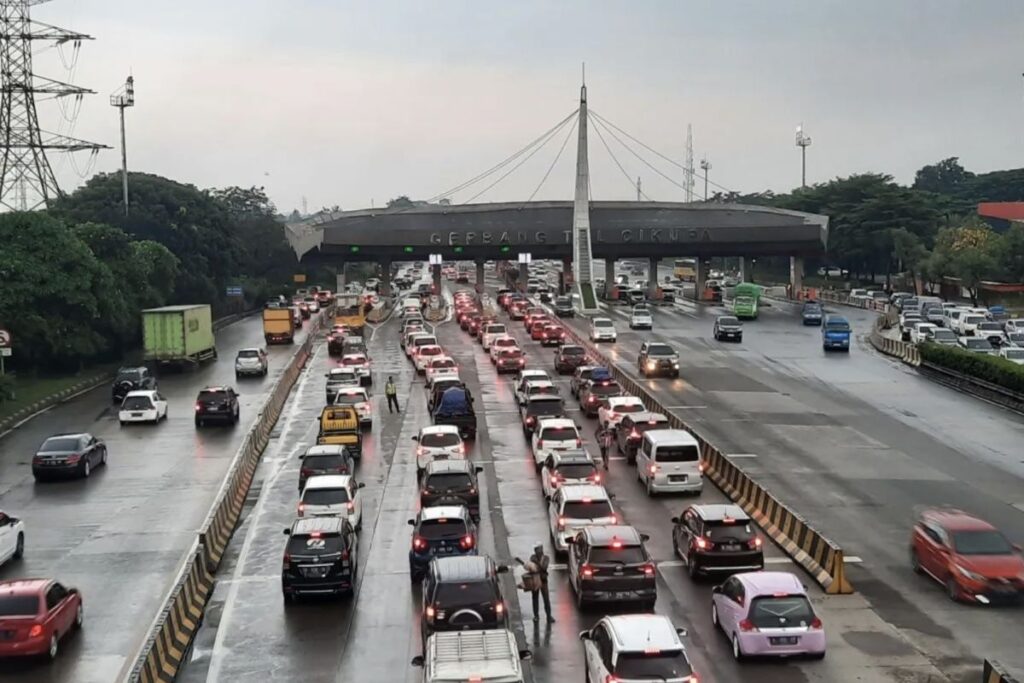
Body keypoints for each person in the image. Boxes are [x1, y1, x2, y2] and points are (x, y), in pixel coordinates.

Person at [516, 544, 554, 623]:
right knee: (535, 598)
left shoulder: (546, 558)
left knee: (546, 599)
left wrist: (536, 566)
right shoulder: (533, 557)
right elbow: (531, 567)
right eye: (536, 549)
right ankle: (536, 616)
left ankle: (549, 616)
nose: (537, 551)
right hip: (535, 580)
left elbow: (544, 567)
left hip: (543, 581)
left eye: (538, 549)